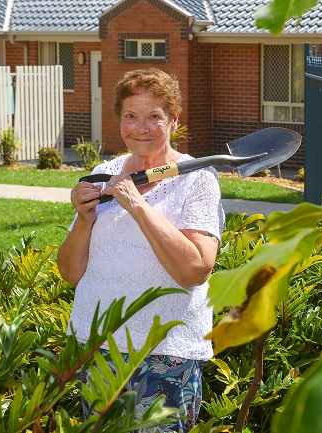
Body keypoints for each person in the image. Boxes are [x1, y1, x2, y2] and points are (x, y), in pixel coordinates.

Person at [57, 68, 224, 432]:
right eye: (131, 116)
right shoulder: (104, 174)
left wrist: (139, 207)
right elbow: (70, 274)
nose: (141, 127)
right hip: (97, 347)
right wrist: (84, 219)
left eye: (154, 117)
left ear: (174, 120)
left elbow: (195, 270)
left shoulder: (198, 179)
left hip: (163, 355)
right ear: (119, 120)